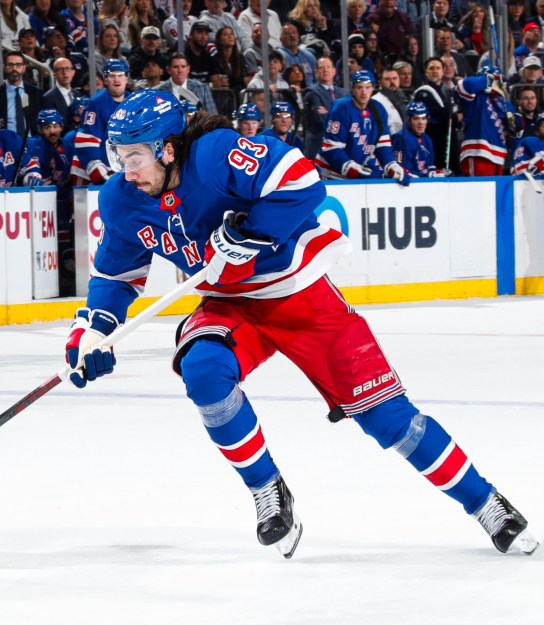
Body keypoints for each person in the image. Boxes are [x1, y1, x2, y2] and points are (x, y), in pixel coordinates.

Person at [65, 87, 539, 558]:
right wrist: (92, 333)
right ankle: (267, 489)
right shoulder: (121, 200)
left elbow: (302, 180)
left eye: (135, 157)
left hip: (300, 297)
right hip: (229, 306)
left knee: (388, 420)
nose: (125, 170)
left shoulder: (214, 154)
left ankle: (486, 503)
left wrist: (250, 235)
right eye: (118, 156)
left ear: (168, 149)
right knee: (204, 369)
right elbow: (114, 275)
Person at [316, 69, 407, 182]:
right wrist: (350, 168)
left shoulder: (379, 109)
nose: (364, 92)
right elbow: (330, 147)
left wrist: (391, 165)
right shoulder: (341, 108)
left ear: (373, 88)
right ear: (353, 89)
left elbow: (383, 145)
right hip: (331, 173)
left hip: (359, 167)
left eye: (368, 87)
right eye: (359, 87)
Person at [20, 108, 74, 292]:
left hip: (64, 203)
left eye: (56, 126)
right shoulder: (34, 144)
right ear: (39, 129)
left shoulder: (67, 145)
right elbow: (31, 172)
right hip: (42, 207)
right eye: (47, 127)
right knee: (46, 246)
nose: (52, 131)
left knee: (66, 244)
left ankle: (66, 281)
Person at [73, 59, 129, 184]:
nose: (117, 80)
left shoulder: (134, 103)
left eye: (120, 75)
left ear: (126, 79)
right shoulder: (96, 104)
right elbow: (86, 140)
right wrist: (99, 173)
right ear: (105, 80)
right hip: (96, 173)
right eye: (112, 76)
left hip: (123, 171)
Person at [456, 65, 516, 176]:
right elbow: (463, 85)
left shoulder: (506, 105)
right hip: (477, 153)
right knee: (477, 192)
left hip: (500, 158)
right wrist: (489, 79)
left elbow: (513, 139)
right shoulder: (475, 97)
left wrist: (516, 128)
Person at [0, 52, 45, 139]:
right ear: (4, 68)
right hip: (5, 144)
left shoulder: (37, 93)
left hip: (32, 143)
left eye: (18, 65)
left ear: (24, 68)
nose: (14, 69)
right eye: (10, 65)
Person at [391, 101, 446, 177]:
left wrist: (437, 172)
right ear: (409, 121)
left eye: (423, 118)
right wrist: (428, 175)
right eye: (416, 118)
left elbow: (429, 166)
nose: (420, 122)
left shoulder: (427, 139)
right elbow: (404, 171)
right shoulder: (401, 138)